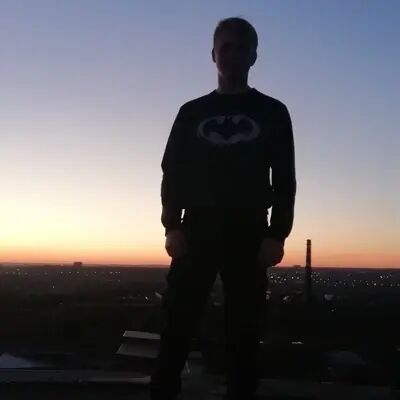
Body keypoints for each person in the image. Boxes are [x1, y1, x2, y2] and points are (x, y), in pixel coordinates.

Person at [150, 16, 297, 400]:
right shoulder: (192, 112)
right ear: (213, 54)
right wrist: (172, 225)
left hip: (249, 233)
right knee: (177, 324)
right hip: (196, 230)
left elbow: (285, 178)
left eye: (241, 47)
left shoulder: (272, 112)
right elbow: (172, 171)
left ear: (254, 56)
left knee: (245, 332)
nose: (232, 54)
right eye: (226, 47)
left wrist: (277, 234)